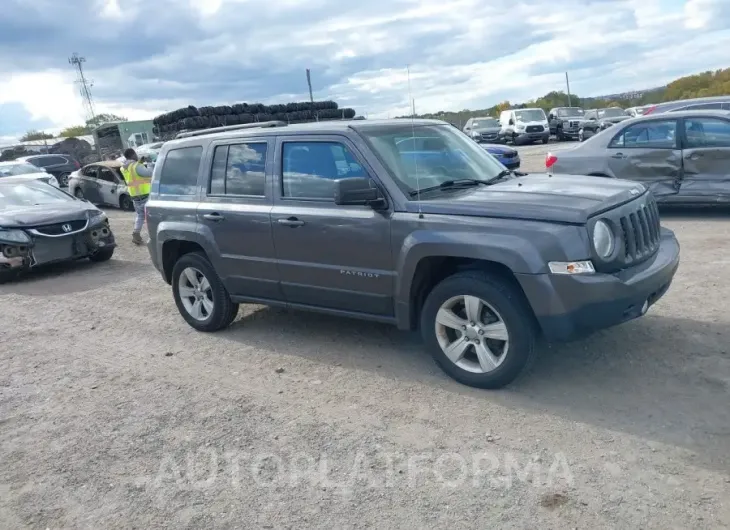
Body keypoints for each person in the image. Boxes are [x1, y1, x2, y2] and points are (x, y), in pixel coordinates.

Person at [119, 148, 153, 245]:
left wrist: (140, 161)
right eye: (135, 154)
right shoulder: (136, 166)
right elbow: (149, 173)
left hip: (134, 196)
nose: (137, 155)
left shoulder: (124, 168)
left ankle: (136, 233)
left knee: (140, 215)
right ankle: (153, 236)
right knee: (150, 217)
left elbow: (134, 172)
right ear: (133, 154)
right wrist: (149, 163)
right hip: (145, 195)